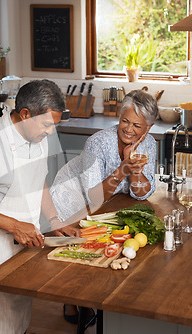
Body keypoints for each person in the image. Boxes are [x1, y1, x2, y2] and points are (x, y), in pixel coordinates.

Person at [0, 79, 79, 334]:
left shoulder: (38, 136)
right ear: (25, 114)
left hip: (24, 243)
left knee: (18, 316)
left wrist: (54, 221)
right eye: (47, 125)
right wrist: (14, 225)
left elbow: (38, 179)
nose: (51, 132)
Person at [49, 89, 158, 324]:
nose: (129, 129)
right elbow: (93, 196)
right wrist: (124, 169)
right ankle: (72, 302)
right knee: (79, 253)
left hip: (106, 202)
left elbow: (143, 194)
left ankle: (88, 300)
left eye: (137, 126)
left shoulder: (149, 144)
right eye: (124, 121)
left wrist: (136, 171)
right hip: (72, 198)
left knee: (96, 250)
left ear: (148, 127)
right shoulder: (97, 143)